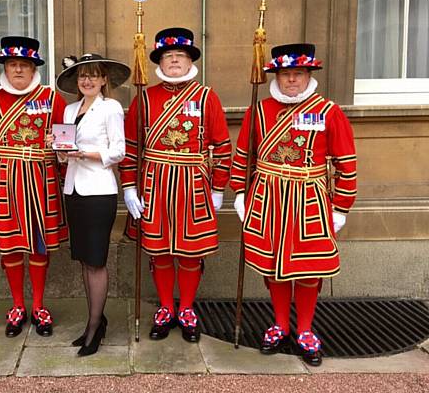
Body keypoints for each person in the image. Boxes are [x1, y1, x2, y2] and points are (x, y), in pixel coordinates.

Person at [230, 43, 357, 366]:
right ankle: (280, 323)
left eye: (297, 74)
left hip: (309, 199)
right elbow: (243, 156)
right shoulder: (258, 111)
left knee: (308, 267)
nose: (291, 81)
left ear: (308, 75)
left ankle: (304, 329)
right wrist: (240, 193)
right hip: (268, 197)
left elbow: (346, 162)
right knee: (274, 266)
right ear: (277, 76)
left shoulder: (329, 112)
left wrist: (341, 206)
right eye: (286, 74)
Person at [120, 27, 232, 343]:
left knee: (190, 254)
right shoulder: (144, 97)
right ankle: (166, 307)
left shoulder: (207, 96)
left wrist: (218, 187)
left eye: (179, 56)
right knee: (160, 253)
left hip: (193, 186)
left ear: (189, 60)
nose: (173, 61)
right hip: (154, 185)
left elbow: (222, 146)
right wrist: (129, 186)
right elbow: (130, 147)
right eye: (168, 56)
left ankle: (186, 308)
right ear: (159, 61)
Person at [0, 36, 68, 338]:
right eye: (13, 64)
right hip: (6, 182)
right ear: (4, 67)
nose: (18, 70)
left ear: (33, 67)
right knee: (11, 246)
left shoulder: (53, 99)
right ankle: (16, 305)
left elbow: (67, 140)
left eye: (24, 65)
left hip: (42, 181)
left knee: (39, 245)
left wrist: (62, 153)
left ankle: (39, 305)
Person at [55, 53, 129, 356]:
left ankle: (95, 326)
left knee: (96, 260)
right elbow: (64, 154)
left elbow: (119, 152)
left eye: (93, 75)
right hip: (73, 189)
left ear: (103, 80)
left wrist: (86, 154)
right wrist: (59, 148)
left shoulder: (110, 108)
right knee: (85, 259)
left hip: (99, 191)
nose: (87, 80)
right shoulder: (70, 109)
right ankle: (94, 320)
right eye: (82, 76)